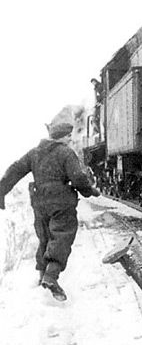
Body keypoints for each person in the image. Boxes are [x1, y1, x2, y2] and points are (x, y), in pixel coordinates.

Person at [0, 122, 101, 301]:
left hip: (39, 200)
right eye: (69, 136)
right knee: (62, 235)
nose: (71, 139)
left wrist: (2, 190)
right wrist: (89, 191)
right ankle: (51, 276)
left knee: (44, 237)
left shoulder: (34, 153)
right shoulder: (66, 152)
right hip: (60, 200)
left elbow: (15, 169)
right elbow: (77, 177)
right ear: (62, 136)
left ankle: (41, 278)